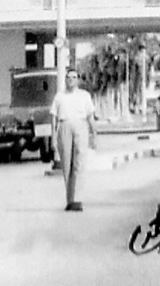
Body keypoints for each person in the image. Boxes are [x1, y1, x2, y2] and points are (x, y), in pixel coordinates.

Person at [50, 67, 97, 212]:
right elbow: (54, 117)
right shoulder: (59, 96)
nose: (71, 80)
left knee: (79, 163)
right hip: (64, 126)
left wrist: (94, 134)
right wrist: (53, 136)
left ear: (78, 80)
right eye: (69, 77)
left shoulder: (84, 96)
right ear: (65, 80)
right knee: (66, 165)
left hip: (81, 126)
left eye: (74, 77)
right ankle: (70, 200)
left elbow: (90, 116)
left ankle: (78, 199)